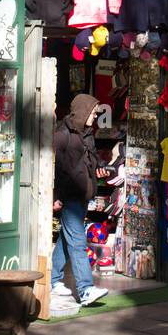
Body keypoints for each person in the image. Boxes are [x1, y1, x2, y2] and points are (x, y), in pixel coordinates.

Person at [52, 93, 108, 307]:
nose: (95, 117)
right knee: (77, 242)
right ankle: (85, 289)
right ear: (84, 111)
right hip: (70, 196)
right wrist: (55, 196)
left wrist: (99, 170)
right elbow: (54, 167)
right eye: (93, 113)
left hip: (84, 194)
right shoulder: (63, 135)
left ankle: (54, 279)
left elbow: (90, 162)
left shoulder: (87, 134)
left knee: (67, 240)